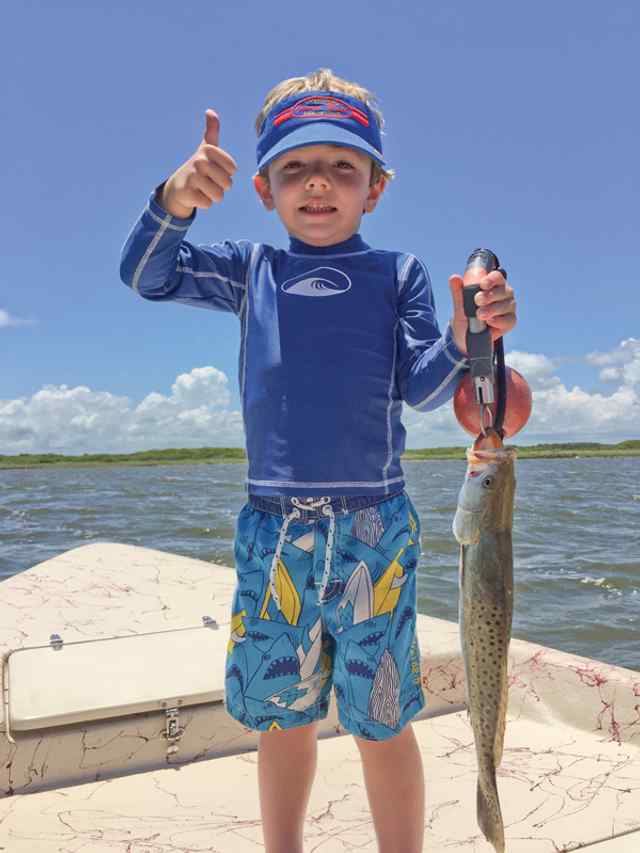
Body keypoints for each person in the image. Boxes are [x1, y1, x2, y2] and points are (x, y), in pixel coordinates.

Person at [120, 68, 516, 853]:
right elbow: (146, 275)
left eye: (344, 165)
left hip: (379, 532)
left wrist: (475, 337)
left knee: (381, 717)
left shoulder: (397, 273)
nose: (319, 183)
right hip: (273, 534)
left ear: (375, 187)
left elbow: (428, 387)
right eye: (296, 167)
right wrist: (174, 200)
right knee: (281, 717)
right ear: (264, 189)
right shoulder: (250, 269)